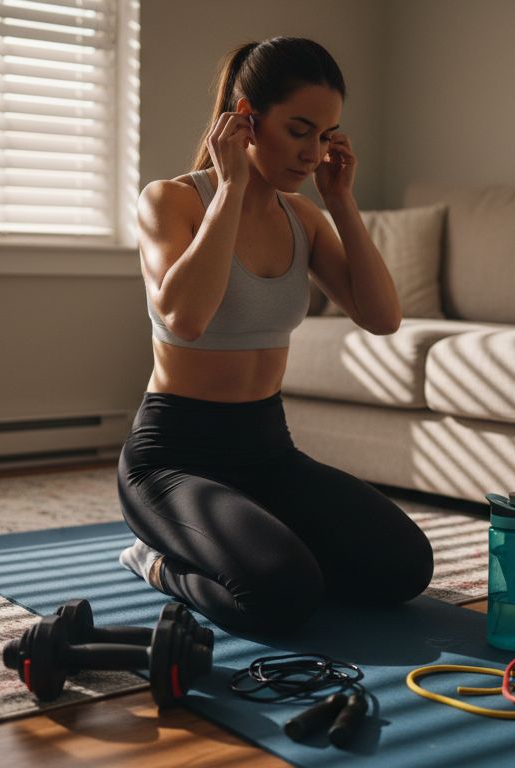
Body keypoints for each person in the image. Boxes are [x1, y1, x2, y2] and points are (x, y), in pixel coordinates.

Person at [116, 37, 434, 635]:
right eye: (299, 130)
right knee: (281, 595)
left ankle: (259, 543)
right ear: (246, 120)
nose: (314, 153)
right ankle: (156, 561)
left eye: (327, 135)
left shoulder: (304, 218)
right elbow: (186, 318)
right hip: (172, 462)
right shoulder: (170, 200)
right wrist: (231, 187)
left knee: (405, 567)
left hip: (267, 454)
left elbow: (382, 317)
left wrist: (341, 202)